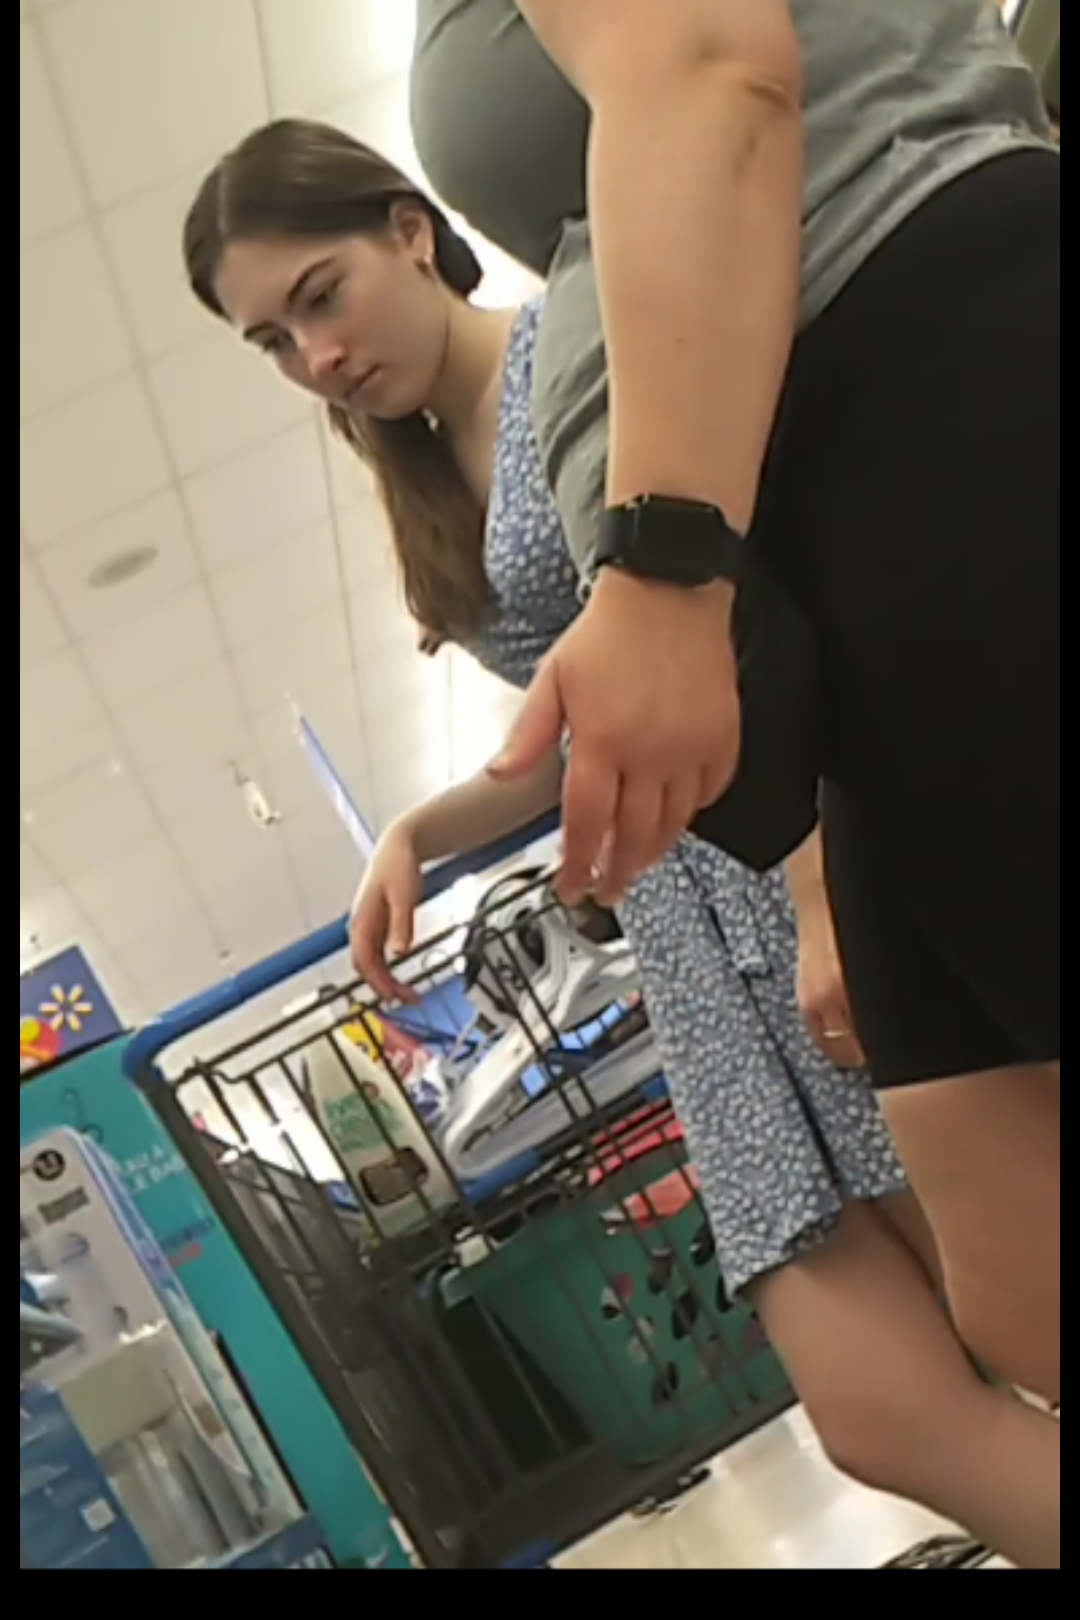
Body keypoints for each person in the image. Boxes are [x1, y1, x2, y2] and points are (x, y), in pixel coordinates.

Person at [183, 121, 1061, 1568]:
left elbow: (751, 615)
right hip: (689, 931)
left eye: (319, 296)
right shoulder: (423, 475)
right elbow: (585, 724)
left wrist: (823, 891)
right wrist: (421, 826)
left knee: (1013, 1301)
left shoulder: (582, 351)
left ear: (411, 230)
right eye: (273, 341)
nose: (315, 357)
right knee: (875, 1411)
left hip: (794, 851)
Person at [408, 0, 1061, 1414]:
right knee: (1021, 1277)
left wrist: (662, 563)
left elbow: (710, 64)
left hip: (916, 371)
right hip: (822, 535)